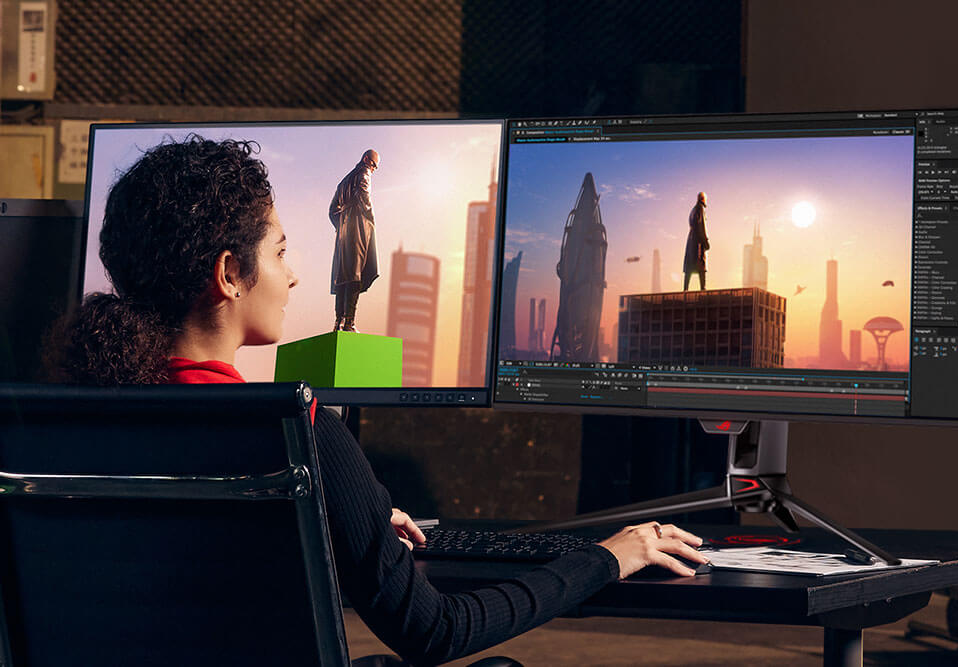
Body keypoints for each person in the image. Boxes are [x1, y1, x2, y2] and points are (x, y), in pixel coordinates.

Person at [52, 137, 708, 666]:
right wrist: (604, 556)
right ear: (229, 273)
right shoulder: (294, 429)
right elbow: (435, 631)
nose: (296, 273)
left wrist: (325, 516)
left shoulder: (66, 423)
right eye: (280, 251)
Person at [329, 149, 380, 332]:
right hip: (358, 228)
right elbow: (365, 197)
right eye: (374, 164)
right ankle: (349, 323)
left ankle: (338, 323)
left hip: (343, 233)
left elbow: (331, 210)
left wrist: (341, 223)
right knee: (354, 276)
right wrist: (371, 220)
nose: (373, 169)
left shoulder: (343, 182)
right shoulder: (364, 173)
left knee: (343, 276)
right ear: (366, 160)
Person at [683, 191, 710, 291]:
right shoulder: (700, 209)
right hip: (698, 242)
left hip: (691, 240)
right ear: (703, 199)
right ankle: (703, 288)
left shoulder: (693, 210)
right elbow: (702, 226)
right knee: (701, 265)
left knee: (689, 266)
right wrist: (705, 241)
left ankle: (685, 288)